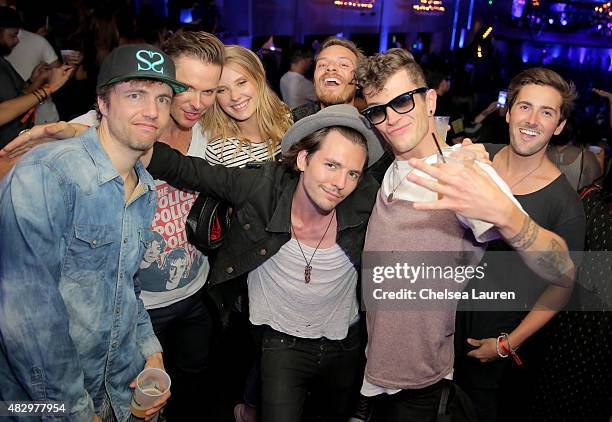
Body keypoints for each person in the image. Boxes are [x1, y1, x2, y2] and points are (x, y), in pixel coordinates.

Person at [0, 30, 226, 422]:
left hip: (122, 387)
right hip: (43, 403)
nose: (152, 111)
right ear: (102, 102)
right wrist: (73, 411)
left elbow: (126, 284)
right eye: (135, 95)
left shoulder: (144, 186)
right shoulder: (48, 174)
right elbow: (26, 321)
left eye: (161, 98)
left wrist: (149, 349)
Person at [142, 104, 384, 422]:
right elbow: (189, 170)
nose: (340, 182)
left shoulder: (366, 200)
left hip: (345, 343)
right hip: (282, 345)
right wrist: (112, 139)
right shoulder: (261, 189)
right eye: (331, 165)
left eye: (352, 173)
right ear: (303, 159)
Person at [407, 67, 585, 421]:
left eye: (547, 113)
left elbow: (561, 289)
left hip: (493, 346)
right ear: (508, 111)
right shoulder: (478, 159)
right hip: (441, 331)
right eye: (524, 107)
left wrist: (508, 344)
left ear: (559, 126)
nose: (532, 120)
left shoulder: (565, 204)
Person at [355, 47, 518, 421]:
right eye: (378, 111)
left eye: (402, 102)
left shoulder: (464, 172)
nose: (391, 119)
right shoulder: (388, 170)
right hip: (374, 369)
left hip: (422, 384)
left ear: (429, 101)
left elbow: (537, 256)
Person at [202, 44, 292, 167]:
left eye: (241, 83)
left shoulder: (286, 117)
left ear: (259, 79)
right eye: (221, 90)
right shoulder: (218, 151)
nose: (234, 96)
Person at [0, 6, 73, 147]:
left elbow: (17, 98)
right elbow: (4, 110)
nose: (17, 41)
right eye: (12, 35)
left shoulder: (3, 62)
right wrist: (50, 88)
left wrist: (35, 80)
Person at [291, 37, 363, 122]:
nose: (330, 67)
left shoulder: (375, 129)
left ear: (358, 79)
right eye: (322, 65)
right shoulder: (291, 123)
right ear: (314, 80)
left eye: (343, 64)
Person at [279, 44, 316, 109]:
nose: (311, 63)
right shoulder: (303, 83)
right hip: (303, 117)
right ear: (302, 61)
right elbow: (323, 98)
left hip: (290, 116)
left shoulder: (284, 77)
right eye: (310, 60)